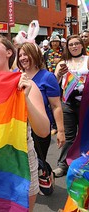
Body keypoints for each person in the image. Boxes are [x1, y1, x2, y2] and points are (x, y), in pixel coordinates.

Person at [0, 30, 49, 212]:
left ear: (9, 52)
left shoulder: (26, 83)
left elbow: (43, 131)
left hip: (21, 164)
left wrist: (25, 99)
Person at [16, 42, 65, 165]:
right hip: (19, 129)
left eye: (26, 54)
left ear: (35, 55)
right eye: (20, 55)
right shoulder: (16, 75)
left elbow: (56, 106)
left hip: (39, 130)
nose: (22, 58)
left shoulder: (48, 77)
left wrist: (61, 131)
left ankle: (47, 180)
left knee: (38, 164)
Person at [53, 35, 89, 178]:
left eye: (76, 44)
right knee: (68, 136)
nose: (74, 47)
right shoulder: (63, 63)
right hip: (67, 104)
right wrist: (59, 75)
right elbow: (54, 82)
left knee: (86, 134)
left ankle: (84, 164)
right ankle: (63, 165)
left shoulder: (87, 60)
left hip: (86, 104)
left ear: (82, 45)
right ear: (67, 47)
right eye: (71, 44)